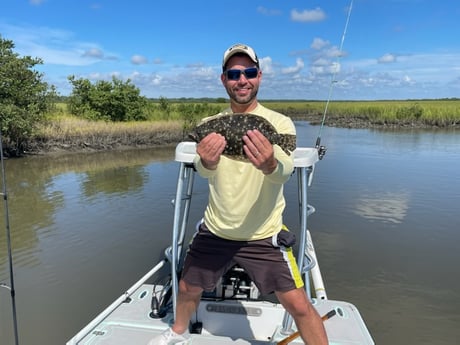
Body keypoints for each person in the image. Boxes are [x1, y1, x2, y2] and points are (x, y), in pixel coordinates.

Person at [149, 43, 328, 345]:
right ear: (224, 80)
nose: (242, 79)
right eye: (234, 73)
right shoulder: (208, 126)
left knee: (299, 304)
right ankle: (177, 333)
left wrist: (270, 163)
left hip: (263, 233)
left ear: (259, 76)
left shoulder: (280, 124)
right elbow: (203, 171)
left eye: (249, 72)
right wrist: (206, 160)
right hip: (216, 230)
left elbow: (284, 170)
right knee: (187, 287)